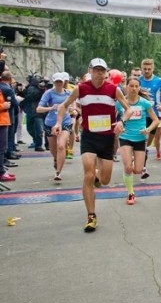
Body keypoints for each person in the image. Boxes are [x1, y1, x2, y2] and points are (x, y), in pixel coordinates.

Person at [52, 58, 132, 232]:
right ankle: (91, 216)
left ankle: (98, 175)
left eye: (102, 70)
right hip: (89, 136)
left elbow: (129, 109)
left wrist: (122, 122)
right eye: (96, 70)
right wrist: (58, 123)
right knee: (87, 174)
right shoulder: (81, 88)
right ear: (90, 71)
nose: (99, 74)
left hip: (107, 138)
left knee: (105, 180)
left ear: (106, 72)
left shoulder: (113, 89)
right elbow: (63, 106)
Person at [117, 76, 159, 205]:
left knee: (138, 170)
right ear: (126, 87)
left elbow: (156, 120)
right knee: (128, 167)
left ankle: (135, 159)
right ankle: (130, 193)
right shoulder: (120, 103)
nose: (134, 89)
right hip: (125, 137)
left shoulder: (144, 103)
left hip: (140, 138)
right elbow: (115, 118)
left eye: (136, 86)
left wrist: (148, 129)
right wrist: (119, 125)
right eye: (131, 86)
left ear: (139, 88)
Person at [36, 72, 73, 181]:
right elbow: (38, 109)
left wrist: (72, 109)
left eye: (60, 82)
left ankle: (58, 172)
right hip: (50, 123)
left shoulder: (68, 93)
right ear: (53, 82)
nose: (58, 84)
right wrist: (51, 108)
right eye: (56, 82)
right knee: (53, 149)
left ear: (63, 82)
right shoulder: (49, 93)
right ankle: (56, 159)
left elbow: (74, 106)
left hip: (65, 122)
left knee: (61, 146)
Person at [138, 59, 161, 177]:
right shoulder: (138, 81)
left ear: (153, 69)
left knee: (148, 142)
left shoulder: (160, 81)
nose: (146, 71)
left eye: (149, 69)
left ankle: (141, 154)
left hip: (154, 115)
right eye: (144, 69)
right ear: (141, 69)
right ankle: (143, 166)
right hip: (140, 115)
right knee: (142, 141)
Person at [0, 71, 17, 182]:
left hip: (3, 120)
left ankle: (2, 169)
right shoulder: (6, 88)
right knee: (2, 148)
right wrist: (3, 106)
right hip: (2, 120)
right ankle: (1, 172)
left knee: (2, 148)